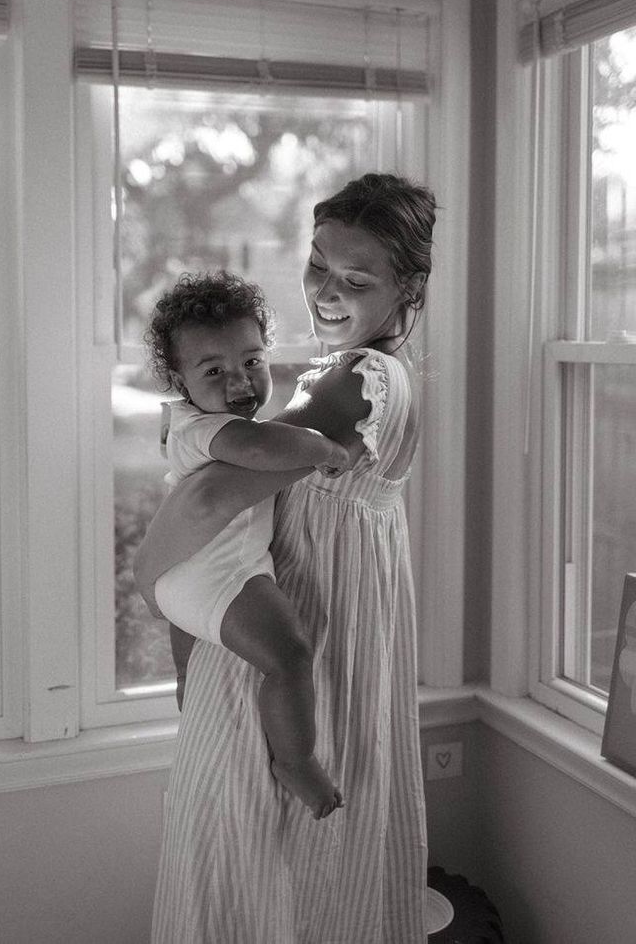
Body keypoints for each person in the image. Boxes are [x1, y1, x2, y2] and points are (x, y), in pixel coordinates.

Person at [135, 172, 437, 944]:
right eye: (317, 264)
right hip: (269, 647)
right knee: (263, 882)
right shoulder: (331, 382)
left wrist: (147, 579)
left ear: (409, 287)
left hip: (282, 666)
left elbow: (206, 504)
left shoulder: (362, 381)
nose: (327, 292)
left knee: (250, 881)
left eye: (357, 278)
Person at [146, 270, 348, 819]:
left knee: (193, 677)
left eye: (252, 362)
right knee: (289, 656)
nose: (239, 382)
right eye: (213, 370)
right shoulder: (205, 429)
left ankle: (199, 735)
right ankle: (296, 761)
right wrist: (322, 446)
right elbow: (257, 449)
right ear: (179, 380)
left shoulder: (187, 420)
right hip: (217, 574)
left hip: (180, 574)